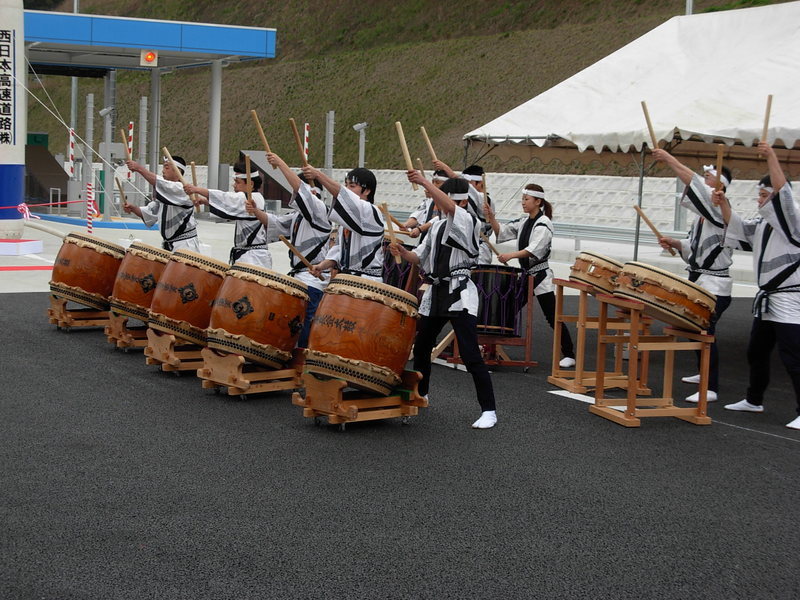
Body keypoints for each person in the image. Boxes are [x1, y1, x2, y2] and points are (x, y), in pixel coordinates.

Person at [389, 171, 498, 429]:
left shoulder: (468, 220)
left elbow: (449, 206)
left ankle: (489, 410)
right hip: (436, 291)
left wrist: (426, 182)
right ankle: (422, 392)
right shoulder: (436, 226)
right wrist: (403, 252)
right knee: (423, 345)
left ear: (458, 201)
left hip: (459, 293)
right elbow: (420, 257)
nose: (435, 199)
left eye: (442, 195)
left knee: (471, 354)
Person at [713, 142, 800, 431]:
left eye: (764, 195)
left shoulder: (794, 221)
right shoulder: (763, 224)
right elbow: (736, 227)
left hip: (790, 299)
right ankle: (754, 399)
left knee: (793, 357)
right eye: (759, 195)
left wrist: (772, 157)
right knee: (756, 351)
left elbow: (784, 195)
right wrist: (722, 201)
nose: (759, 201)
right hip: (768, 300)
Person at [651, 148, 736, 403]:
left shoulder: (722, 210)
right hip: (700, 281)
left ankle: (711, 386)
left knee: (705, 331)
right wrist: (674, 244)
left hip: (715, 284)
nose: (704, 180)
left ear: (721, 187)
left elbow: (693, 182)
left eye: (709, 178)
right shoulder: (701, 219)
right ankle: (704, 373)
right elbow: (692, 249)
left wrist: (669, 159)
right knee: (695, 328)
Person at [485, 183, 576, 368]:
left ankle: (569, 354)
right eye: (522, 200)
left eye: (526, 200)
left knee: (552, 316)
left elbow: (534, 249)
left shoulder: (544, 224)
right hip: (527, 275)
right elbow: (501, 232)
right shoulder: (524, 221)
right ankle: (492, 348)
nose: (523, 203)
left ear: (538, 201)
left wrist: (510, 255)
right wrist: (491, 217)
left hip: (540, 276)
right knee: (507, 308)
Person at [254, 152, 333, 348]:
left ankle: (301, 360)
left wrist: (280, 162)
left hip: (313, 280)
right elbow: (275, 223)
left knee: (304, 326)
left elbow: (300, 189)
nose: (294, 195)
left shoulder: (320, 212)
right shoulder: (298, 216)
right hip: (298, 277)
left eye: (299, 192)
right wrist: (254, 211)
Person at [301, 164, 384, 282]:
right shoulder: (347, 222)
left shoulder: (371, 211)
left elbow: (342, 195)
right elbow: (338, 250)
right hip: (347, 278)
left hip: (367, 280)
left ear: (367, 191)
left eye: (352, 186)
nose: (347, 189)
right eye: (346, 186)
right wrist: (322, 266)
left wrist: (318, 175)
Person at [183, 161, 272, 267]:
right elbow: (231, 209)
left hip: (255, 258)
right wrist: (205, 201)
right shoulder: (252, 199)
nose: (234, 185)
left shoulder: (253, 199)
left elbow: (227, 198)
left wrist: (197, 189)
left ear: (251, 184)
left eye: (237, 182)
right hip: (250, 255)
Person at [124, 155, 201, 252]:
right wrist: (133, 208)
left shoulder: (182, 190)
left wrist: (139, 168)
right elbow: (150, 213)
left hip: (185, 244)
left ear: (178, 171)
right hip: (170, 244)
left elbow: (159, 182)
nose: (163, 171)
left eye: (166, 167)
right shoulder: (165, 193)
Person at [432, 160, 493, 263]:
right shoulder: (459, 199)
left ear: (480, 183)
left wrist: (446, 169)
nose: (464, 185)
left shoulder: (484, 199)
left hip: (478, 249)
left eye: (468, 183)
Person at [402, 169, 447, 242]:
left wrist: (420, 229)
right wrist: (406, 225)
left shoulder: (451, 203)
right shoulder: (428, 201)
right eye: (433, 182)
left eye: (437, 183)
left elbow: (440, 218)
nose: (433, 185)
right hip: (425, 241)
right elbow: (417, 216)